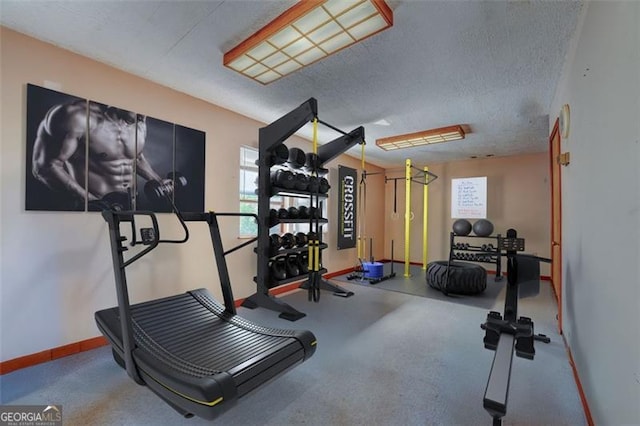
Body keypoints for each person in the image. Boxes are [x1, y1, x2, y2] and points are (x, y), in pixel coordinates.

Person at [31, 101, 169, 210]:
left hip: (131, 204)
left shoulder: (139, 121)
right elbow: (46, 167)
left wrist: (158, 181)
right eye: (139, 111)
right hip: (94, 205)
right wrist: (90, 201)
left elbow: (136, 158)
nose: (143, 116)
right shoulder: (78, 117)